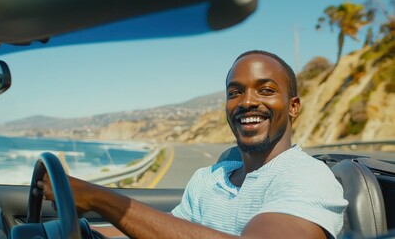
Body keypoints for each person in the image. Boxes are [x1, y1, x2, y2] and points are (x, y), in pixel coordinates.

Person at [39, 50, 347, 238]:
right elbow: (165, 231)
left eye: (265, 90)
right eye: (235, 92)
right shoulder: (209, 178)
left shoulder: (309, 178)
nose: (247, 102)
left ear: (293, 106)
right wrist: (84, 232)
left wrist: (99, 198)